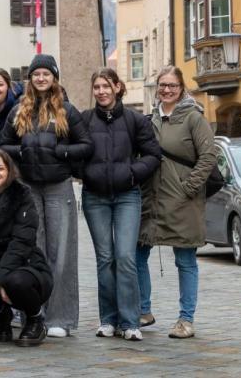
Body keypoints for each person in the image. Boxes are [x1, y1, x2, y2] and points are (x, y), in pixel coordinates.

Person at [0, 54, 92, 338]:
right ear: (30, 79)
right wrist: (22, 152)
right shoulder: (18, 110)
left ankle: (60, 318)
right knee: (31, 250)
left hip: (58, 186)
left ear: (54, 78)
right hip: (27, 188)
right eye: (36, 74)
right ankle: (32, 311)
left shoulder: (66, 109)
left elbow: (85, 145)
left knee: (61, 252)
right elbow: (3, 146)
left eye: (46, 74)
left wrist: (62, 152)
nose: (41, 79)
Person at [78, 68, 161, 342]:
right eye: (97, 87)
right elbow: (75, 151)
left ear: (117, 87)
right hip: (95, 196)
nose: (101, 91)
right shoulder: (86, 119)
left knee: (125, 257)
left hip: (127, 195)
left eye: (106, 86)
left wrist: (133, 172)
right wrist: (85, 172)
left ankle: (130, 321)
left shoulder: (135, 120)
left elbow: (152, 154)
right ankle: (108, 320)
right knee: (105, 259)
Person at [138, 66, 218, 339]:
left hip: (183, 201)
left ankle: (186, 319)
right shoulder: (151, 120)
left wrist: (188, 188)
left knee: (185, 260)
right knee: (138, 254)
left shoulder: (193, 118)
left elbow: (209, 157)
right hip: (152, 201)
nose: (167, 90)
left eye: (172, 85)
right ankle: (143, 310)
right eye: (162, 85)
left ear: (181, 88)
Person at [0, 149, 53, 347]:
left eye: (0, 168)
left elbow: (21, 243)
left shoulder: (22, 195)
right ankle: (3, 315)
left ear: (9, 171)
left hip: (25, 263)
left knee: (17, 283)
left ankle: (35, 319)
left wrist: (1, 279)